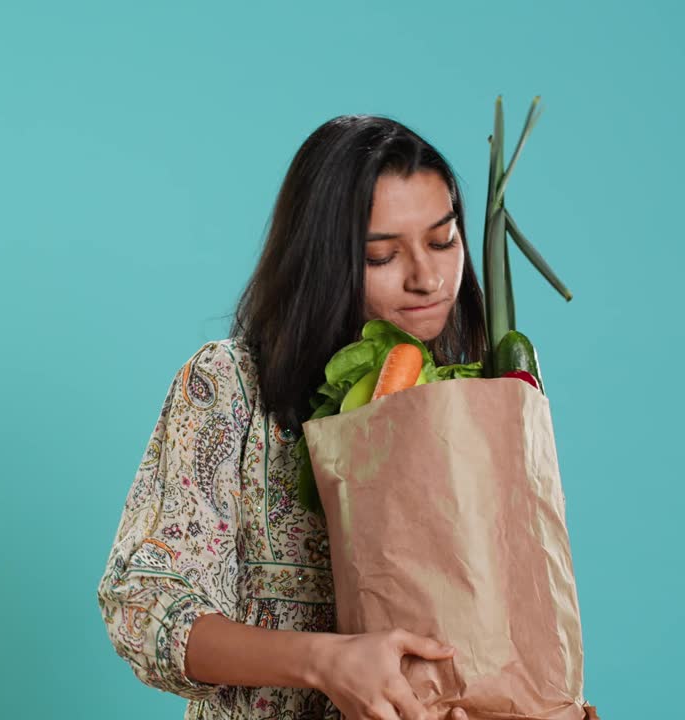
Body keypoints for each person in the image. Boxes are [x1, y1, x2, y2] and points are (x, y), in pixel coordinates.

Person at [97, 114, 488, 720]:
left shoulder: (479, 404)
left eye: (443, 241)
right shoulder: (231, 387)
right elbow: (143, 607)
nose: (429, 278)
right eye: (382, 256)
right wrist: (326, 661)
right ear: (322, 261)